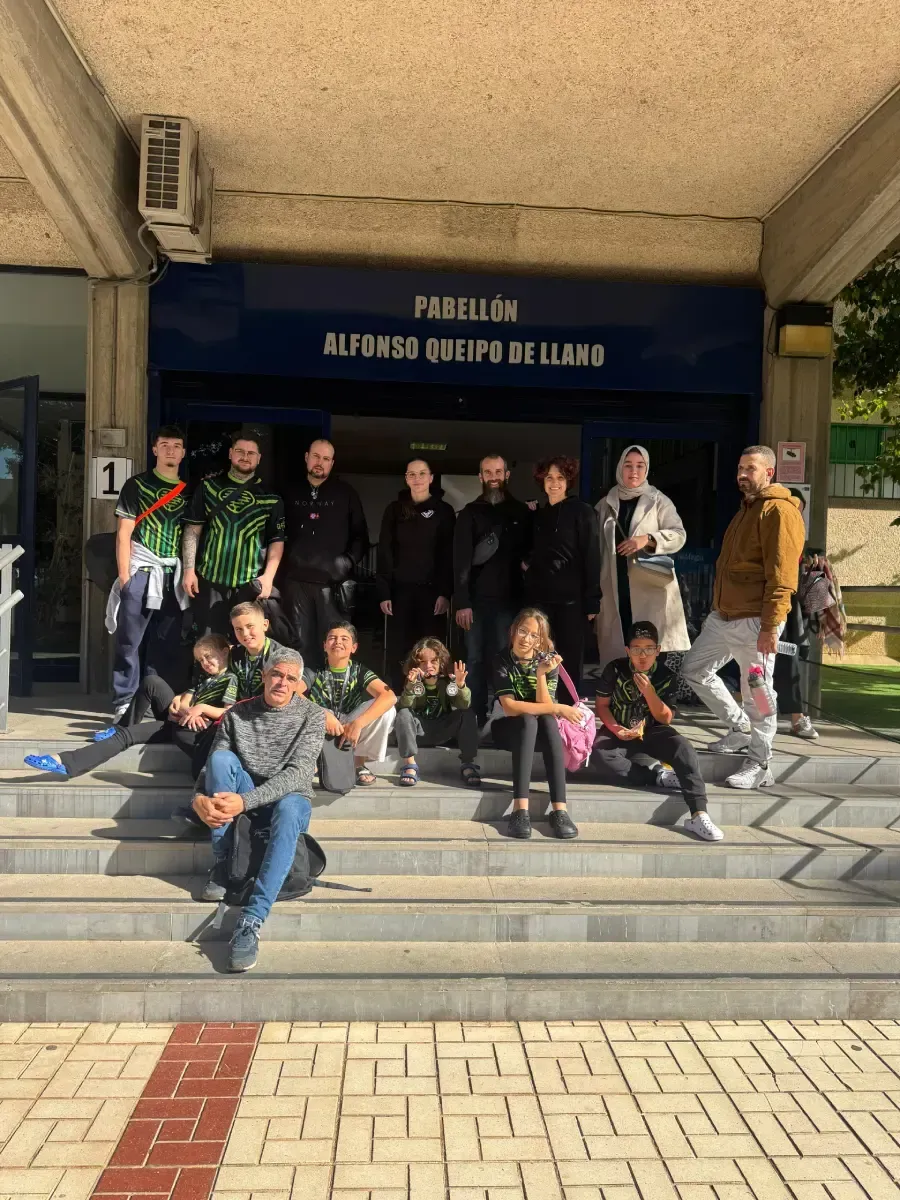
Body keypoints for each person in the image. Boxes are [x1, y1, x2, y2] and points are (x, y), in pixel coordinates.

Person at [192, 649, 326, 973]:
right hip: (245, 791)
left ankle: (252, 920)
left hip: (288, 797)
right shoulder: (237, 714)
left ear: (298, 684)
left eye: (290, 678)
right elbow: (214, 762)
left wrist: (244, 803)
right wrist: (197, 799)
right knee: (222, 761)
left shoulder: (313, 716)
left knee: (291, 809)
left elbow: (297, 774)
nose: (282, 682)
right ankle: (224, 863)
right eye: (276, 674)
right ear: (264, 676)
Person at [682, 445, 806, 789]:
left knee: (759, 692)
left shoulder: (779, 511)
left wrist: (770, 628)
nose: (742, 474)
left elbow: (783, 577)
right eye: (739, 467)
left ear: (770, 472)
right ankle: (739, 728)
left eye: (750, 468)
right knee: (694, 669)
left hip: (755, 623)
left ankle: (761, 761)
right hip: (724, 618)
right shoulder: (746, 510)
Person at [23, 634, 236, 782]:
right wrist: (180, 702)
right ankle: (64, 762)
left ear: (225, 652)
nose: (205, 662)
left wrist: (200, 708)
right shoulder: (207, 679)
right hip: (177, 720)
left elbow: (230, 712)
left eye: (209, 656)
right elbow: (188, 696)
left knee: (130, 733)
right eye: (200, 659)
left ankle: (70, 759)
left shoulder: (231, 679)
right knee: (148, 688)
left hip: (194, 730)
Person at [593, 621, 724, 841]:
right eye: (636, 649)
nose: (642, 655)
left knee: (683, 747)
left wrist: (649, 692)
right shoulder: (615, 669)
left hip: (653, 729)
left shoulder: (666, 675)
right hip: (620, 728)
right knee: (598, 753)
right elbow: (602, 705)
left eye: (649, 649)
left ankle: (699, 814)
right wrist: (617, 729)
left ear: (658, 650)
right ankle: (657, 776)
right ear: (628, 651)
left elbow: (665, 718)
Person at [106, 426, 190, 721]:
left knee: (164, 642)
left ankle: (154, 701)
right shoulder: (136, 485)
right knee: (129, 641)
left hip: (172, 575)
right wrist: (126, 578)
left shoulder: (189, 491)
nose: (170, 450)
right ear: (155, 449)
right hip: (141, 570)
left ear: (182, 452)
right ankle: (124, 701)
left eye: (176, 445)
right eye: (164, 444)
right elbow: (124, 533)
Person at [595, 444, 690, 670]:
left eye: (640, 466)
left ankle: (649, 698)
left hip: (649, 589)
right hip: (615, 588)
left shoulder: (658, 500)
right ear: (620, 468)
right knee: (618, 650)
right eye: (628, 465)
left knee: (647, 648)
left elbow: (679, 535)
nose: (633, 471)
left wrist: (647, 539)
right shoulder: (605, 504)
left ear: (646, 469)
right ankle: (620, 697)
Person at [489, 608, 582, 841]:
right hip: (507, 728)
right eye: (522, 631)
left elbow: (544, 705)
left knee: (548, 722)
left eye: (534, 636)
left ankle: (560, 810)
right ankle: (520, 809)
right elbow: (510, 707)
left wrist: (541, 674)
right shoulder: (501, 660)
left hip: (540, 731)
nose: (526, 639)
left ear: (541, 640)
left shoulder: (548, 661)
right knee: (530, 720)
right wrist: (559, 708)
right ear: (513, 631)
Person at [182, 431, 285, 637]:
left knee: (247, 642)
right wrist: (189, 569)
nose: (245, 457)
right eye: (240, 451)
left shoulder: (271, 498)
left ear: (259, 458)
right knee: (208, 643)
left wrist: (268, 578)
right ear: (230, 454)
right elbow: (192, 530)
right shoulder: (208, 488)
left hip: (249, 585)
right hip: (210, 581)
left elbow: (277, 540)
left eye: (251, 453)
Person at [453, 453, 532, 724]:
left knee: (503, 659)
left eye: (498, 471)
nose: (494, 477)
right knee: (473, 660)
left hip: (509, 602)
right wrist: (461, 601)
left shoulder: (521, 512)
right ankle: (473, 716)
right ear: (481, 477)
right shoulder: (469, 513)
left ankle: (501, 716)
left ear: (507, 474)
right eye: (488, 472)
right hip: (474, 602)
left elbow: (531, 551)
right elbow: (460, 560)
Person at [281, 439, 369, 667]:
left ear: (332, 463)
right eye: (316, 457)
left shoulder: (346, 493)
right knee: (298, 644)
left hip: (332, 585)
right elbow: (274, 533)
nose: (320, 463)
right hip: (295, 582)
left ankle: (333, 697)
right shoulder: (288, 491)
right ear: (306, 457)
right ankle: (301, 695)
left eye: (326, 459)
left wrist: (346, 563)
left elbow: (361, 536)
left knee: (335, 646)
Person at [377, 459, 455, 689]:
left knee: (431, 648)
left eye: (422, 474)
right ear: (406, 478)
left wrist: (445, 593)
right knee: (401, 648)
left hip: (432, 594)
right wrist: (384, 592)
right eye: (412, 474)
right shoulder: (394, 510)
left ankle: (433, 696)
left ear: (431, 478)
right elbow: (385, 551)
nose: (418, 478)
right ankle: (402, 695)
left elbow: (449, 555)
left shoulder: (444, 511)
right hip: (400, 592)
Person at [524, 456, 600, 688]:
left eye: (560, 477)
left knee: (568, 658)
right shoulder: (538, 514)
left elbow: (592, 556)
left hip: (571, 601)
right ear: (542, 481)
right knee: (538, 657)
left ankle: (569, 714)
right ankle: (542, 710)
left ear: (569, 481)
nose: (554, 483)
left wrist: (592, 601)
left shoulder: (583, 512)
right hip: (540, 600)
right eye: (549, 477)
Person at [298, 621, 396, 786]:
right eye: (332, 638)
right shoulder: (314, 669)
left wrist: (359, 723)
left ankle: (358, 764)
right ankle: (313, 762)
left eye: (344, 639)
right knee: (292, 705)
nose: (338, 642)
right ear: (324, 646)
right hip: (322, 724)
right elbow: (292, 692)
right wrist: (322, 714)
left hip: (349, 725)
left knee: (388, 710)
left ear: (354, 647)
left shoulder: (359, 671)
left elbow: (389, 696)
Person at [394, 637, 481, 788]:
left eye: (433, 661)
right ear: (416, 664)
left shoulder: (448, 681)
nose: (428, 666)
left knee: (467, 713)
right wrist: (409, 687)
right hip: (418, 733)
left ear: (442, 662)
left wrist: (460, 686)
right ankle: (410, 765)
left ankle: (468, 763)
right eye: (423, 662)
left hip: (443, 731)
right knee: (404, 713)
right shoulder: (414, 681)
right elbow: (404, 706)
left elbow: (464, 704)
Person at [228, 601, 290, 700]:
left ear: (265, 625)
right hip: (239, 709)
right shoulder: (233, 654)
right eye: (238, 629)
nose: (245, 633)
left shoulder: (281, 656)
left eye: (250, 626)